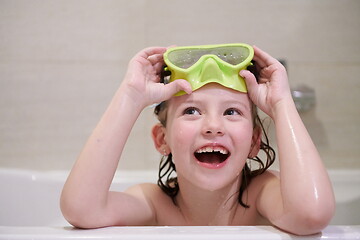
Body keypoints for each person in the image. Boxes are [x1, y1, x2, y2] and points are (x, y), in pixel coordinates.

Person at [60, 44, 335, 235]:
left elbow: (311, 215)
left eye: (231, 111)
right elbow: (82, 209)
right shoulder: (155, 203)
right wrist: (131, 96)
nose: (213, 126)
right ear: (162, 139)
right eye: (192, 110)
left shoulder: (264, 193)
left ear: (253, 142)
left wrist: (281, 103)